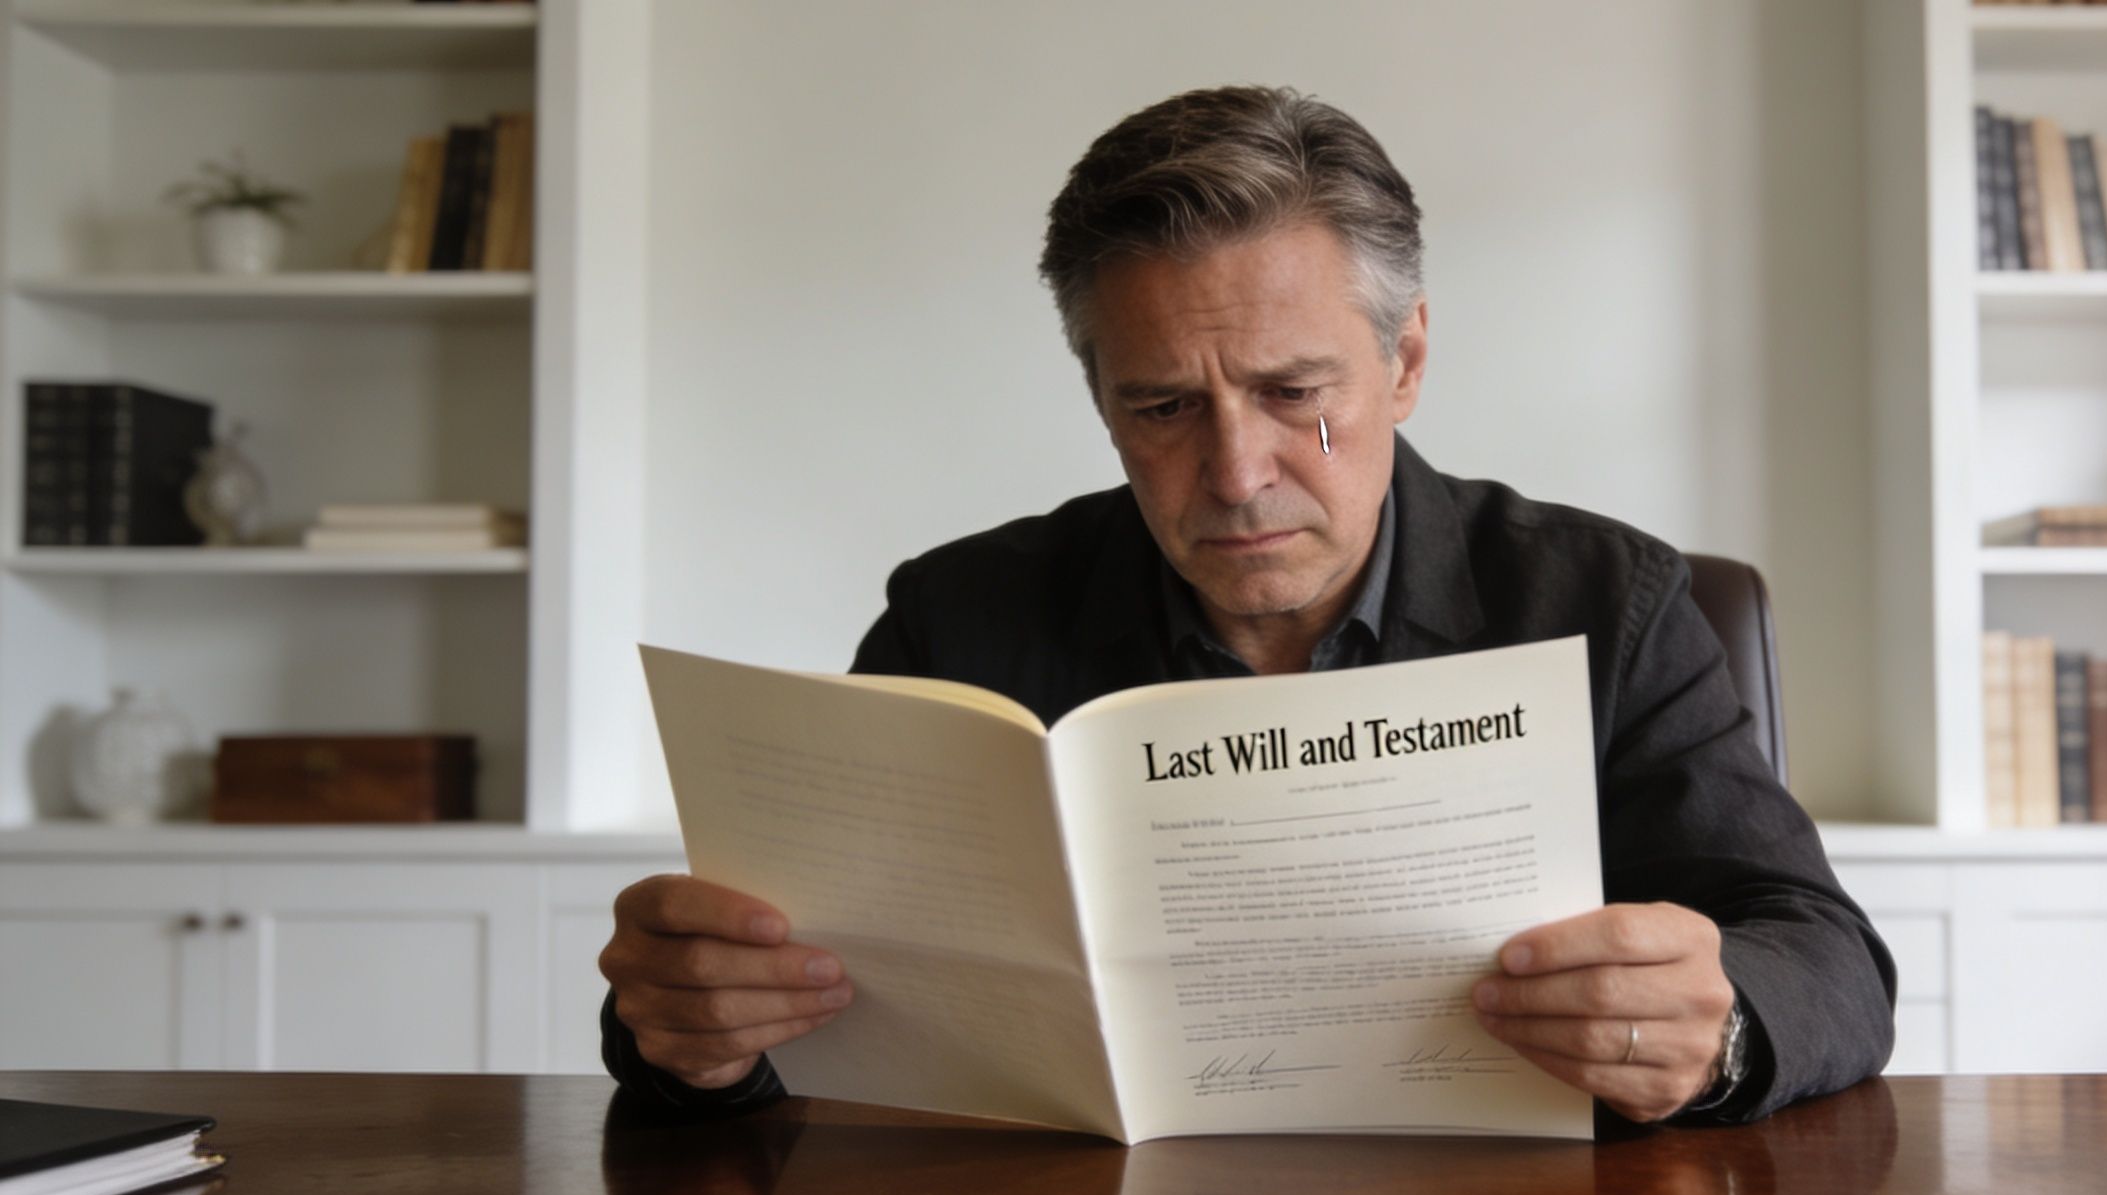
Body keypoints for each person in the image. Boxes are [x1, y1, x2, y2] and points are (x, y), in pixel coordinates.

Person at [598, 85, 1895, 1126]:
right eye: (1161, 407)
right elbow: (795, 998)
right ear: (1100, 398)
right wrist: (693, 1034)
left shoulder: (1605, 600)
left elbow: (1826, 958)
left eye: (1294, 394)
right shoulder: (961, 616)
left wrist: (1713, 1028)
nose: (1235, 473)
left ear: (1407, 362)